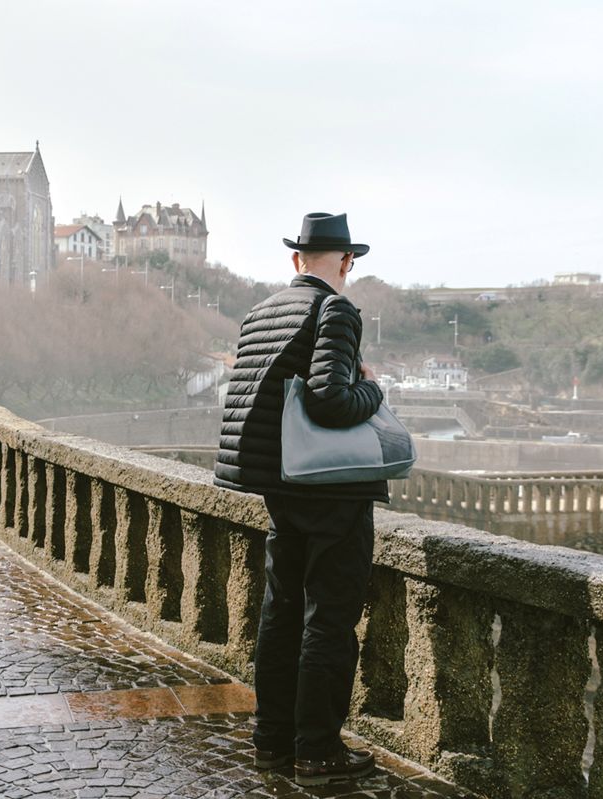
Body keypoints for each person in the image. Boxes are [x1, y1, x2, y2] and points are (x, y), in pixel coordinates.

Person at [214, 212, 384, 786]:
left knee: (281, 615)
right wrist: (373, 386)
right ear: (345, 262)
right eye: (348, 264)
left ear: (296, 261)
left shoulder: (261, 312)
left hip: (278, 487)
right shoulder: (335, 308)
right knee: (329, 623)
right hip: (330, 490)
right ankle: (317, 751)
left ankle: (272, 741)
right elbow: (331, 399)